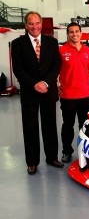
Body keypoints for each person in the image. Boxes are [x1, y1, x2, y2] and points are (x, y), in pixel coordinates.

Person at [11, 11, 63, 175]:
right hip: (29, 92)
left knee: (50, 126)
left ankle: (52, 157)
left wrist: (46, 82)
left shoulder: (52, 42)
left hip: (48, 91)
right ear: (26, 26)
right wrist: (34, 84)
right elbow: (18, 69)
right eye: (31, 24)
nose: (34, 26)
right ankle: (32, 162)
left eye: (37, 23)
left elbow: (57, 65)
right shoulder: (18, 44)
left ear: (41, 24)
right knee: (30, 127)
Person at [58, 22, 89, 163]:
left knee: (84, 126)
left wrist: (87, 80)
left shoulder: (88, 50)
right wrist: (57, 84)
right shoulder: (61, 51)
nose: (74, 34)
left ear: (81, 33)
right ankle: (67, 151)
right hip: (67, 96)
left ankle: (85, 151)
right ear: (67, 34)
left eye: (77, 31)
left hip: (85, 95)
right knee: (67, 125)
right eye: (71, 32)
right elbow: (54, 69)